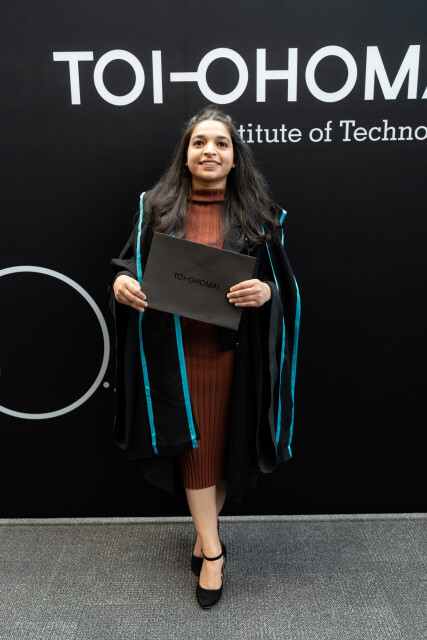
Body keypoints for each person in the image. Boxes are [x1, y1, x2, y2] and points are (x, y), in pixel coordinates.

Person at [110, 105, 300, 609]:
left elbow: (284, 287)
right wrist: (123, 283)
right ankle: (213, 553)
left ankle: (203, 535)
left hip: (233, 357)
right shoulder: (156, 208)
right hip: (174, 354)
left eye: (221, 143)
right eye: (199, 142)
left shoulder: (260, 217)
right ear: (185, 154)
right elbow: (131, 264)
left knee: (220, 452)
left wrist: (266, 293)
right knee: (194, 449)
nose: (209, 150)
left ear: (235, 158)